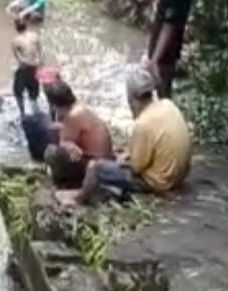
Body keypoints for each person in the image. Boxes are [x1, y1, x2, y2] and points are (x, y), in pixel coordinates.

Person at [66, 66, 191, 205]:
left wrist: (122, 161)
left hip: (160, 183)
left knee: (95, 168)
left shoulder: (143, 124)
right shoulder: (168, 105)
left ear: (132, 98)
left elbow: (137, 168)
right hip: (178, 177)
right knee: (121, 155)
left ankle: (78, 200)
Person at [43, 80, 115, 187]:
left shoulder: (72, 116)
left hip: (94, 168)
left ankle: (66, 183)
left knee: (50, 152)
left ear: (55, 104)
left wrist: (66, 144)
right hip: (106, 161)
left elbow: (64, 142)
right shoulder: (81, 109)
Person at [147, 0, 193, 98]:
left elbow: (169, 26)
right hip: (163, 52)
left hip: (165, 55)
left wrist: (154, 60)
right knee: (161, 95)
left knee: (163, 96)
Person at [12, 17, 42, 119]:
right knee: (33, 94)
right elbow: (40, 54)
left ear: (16, 27)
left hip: (25, 69)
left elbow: (20, 59)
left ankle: (23, 114)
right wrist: (37, 64)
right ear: (26, 25)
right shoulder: (35, 36)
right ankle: (36, 114)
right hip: (36, 68)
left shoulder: (15, 41)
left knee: (17, 91)